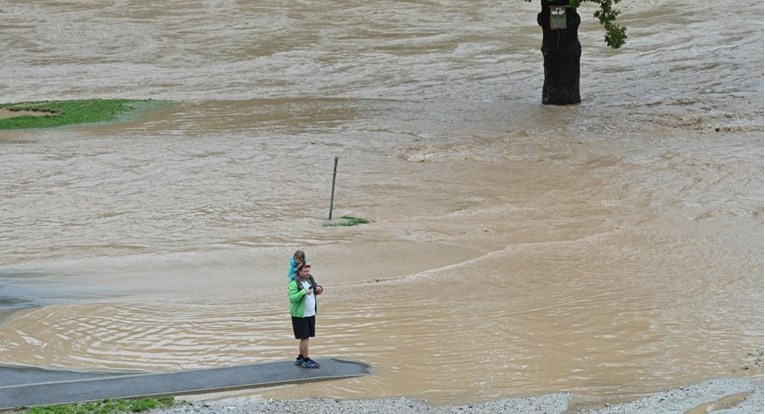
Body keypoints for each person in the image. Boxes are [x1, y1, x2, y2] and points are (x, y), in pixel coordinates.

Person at [288, 262, 323, 368]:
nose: (308, 273)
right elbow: (292, 298)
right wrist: (303, 292)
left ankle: (300, 358)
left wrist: (319, 289)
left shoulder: (309, 280)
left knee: (305, 338)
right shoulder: (294, 283)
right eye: (305, 271)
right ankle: (306, 360)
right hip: (300, 316)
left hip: (310, 314)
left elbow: (315, 291)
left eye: (308, 271)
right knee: (305, 338)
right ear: (299, 272)